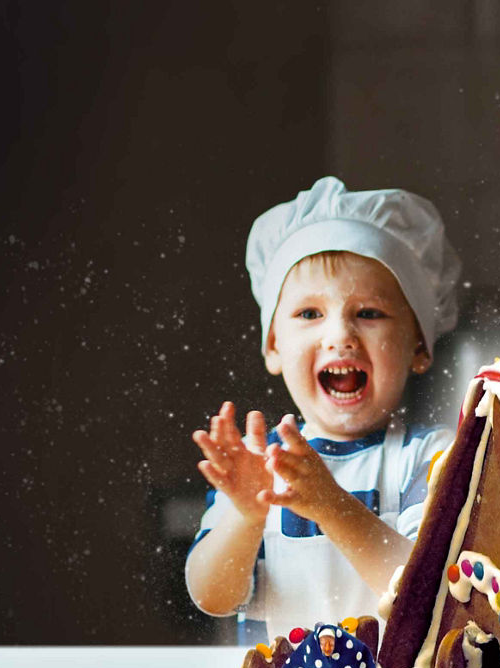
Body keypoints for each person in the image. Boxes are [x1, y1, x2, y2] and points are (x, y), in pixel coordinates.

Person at [185, 176, 460, 642]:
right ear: (273, 346)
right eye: (310, 314)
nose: (340, 336)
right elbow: (212, 597)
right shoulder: (257, 465)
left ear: (419, 345)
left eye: (369, 313)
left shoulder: (430, 459)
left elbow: (427, 598)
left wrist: (331, 505)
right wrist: (247, 515)